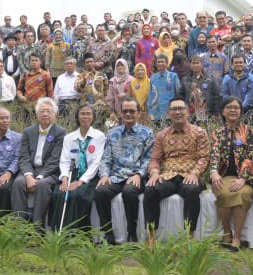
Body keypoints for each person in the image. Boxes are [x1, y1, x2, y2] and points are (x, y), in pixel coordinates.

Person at [143, 98, 210, 242]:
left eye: (181, 108)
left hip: (189, 174)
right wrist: (154, 172)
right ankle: (150, 236)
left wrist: (195, 173)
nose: (178, 112)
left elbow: (204, 157)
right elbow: (155, 158)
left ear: (188, 111)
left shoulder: (200, 133)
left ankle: (189, 237)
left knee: (192, 190)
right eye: (174, 109)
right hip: (168, 175)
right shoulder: (161, 135)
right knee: (150, 189)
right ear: (168, 113)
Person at [95, 97, 155, 244]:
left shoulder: (147, 133)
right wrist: (104, 175)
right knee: (100, 191)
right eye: (125, 111)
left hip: (136, 176)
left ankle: (132, 234)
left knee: (129, 192)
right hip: (115, 176)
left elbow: (149, 159)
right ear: (120, 113)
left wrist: (139, 174)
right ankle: (108, 235)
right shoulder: (112, 133)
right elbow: (106, 158)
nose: (128, 114)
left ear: (139, 113)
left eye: (132, 111)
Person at [208, 97, 253, 251]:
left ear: (240, 111)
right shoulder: (217, 133)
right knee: (224, 193)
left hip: (245, 177)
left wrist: (243, 178)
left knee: (242, 194)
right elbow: (214, 154)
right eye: (229, 107)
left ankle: (237, 237)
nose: (233, 110)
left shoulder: (248, 132)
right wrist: (213, 172)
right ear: (223, 111)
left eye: (236, 108)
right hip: (223, 176)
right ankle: (226, 232)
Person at [11, 97, 67, 227]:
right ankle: (18, 227)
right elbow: (23, 157)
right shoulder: (28, 131)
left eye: (49, 111)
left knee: (41, 185)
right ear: (36, 115)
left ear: (55, 115)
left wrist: (40, 176)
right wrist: (29, 176)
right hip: (30, 170)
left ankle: (37, 229)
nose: (45, 114)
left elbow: (55, 160)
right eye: (42, 111)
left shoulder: (60, 133)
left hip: (49, 173)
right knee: (18, 183)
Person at [50, 103, 106, 231]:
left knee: (77, 195)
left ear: (93, 117)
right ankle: (58, 232)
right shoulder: (69, 137)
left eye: (88, 114)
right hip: (72, 174)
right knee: (60, 193)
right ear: (77, 116)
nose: (85, 116)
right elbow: (64, 160)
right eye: (82, 113)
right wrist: (64, 178)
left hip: (90, 176)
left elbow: (96, 163)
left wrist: (81, 181)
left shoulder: (99, 136)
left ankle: (77, 233)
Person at [182, 55, 221, 123]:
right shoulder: (185, 79)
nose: (195, 65)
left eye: (197, 63)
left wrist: (215, 113)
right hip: (190, 115)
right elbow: (181, 96)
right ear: (190, 65)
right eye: (193, 63)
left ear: (202, 64)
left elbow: (216, 96)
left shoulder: (210, 79)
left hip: (207, 114)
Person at [148, 54, 182, 128]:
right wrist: (150, 111)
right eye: (158, 62)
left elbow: (178, 93)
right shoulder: (153, 78)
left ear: (167, 63)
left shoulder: (173, 76)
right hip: (156, 112)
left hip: (170, 112)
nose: (160, 64)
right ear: (156, 64)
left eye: (162, 62)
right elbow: (151, 95)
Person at [221, 55, 253, 122]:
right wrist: (233, 109)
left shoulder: (250, 77)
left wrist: (239, 109)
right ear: (232, 65)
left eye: (241, 62)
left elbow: (251, 97)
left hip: (248, 113)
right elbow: (225, 96)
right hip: (231, 113)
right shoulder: (227, 78)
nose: (238, 64)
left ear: (244, 64)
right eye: (236, 62)